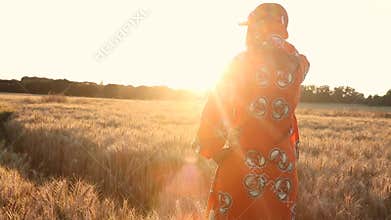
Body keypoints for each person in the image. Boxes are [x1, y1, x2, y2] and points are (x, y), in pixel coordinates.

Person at [194, 3, 310, 219]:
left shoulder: (240, 63)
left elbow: (216, 109)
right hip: (282, 169)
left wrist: (212, 148)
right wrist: (281, 45)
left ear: (254, 28)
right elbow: (303, 62)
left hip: (240, 166)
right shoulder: (298, 64)